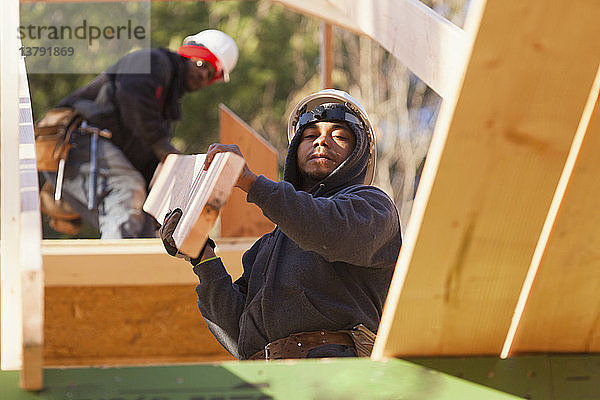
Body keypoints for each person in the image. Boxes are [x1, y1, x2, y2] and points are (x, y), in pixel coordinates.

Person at [160, 89, 402, 360]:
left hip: (336, 373)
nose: (322, 142)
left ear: (359, 153)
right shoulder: (267, 248)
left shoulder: (372, 207)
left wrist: (249, 182)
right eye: (310, 136)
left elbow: (326, 230)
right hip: (271, 376)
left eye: (340, 136)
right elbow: (240, 337)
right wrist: (201, 256)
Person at [41, 29, 239, 238]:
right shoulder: (153, 62)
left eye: (210, 75)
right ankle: (116, 269)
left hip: (92, 149)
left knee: (146, 222)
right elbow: (133, 99)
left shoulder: (166, 103)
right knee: (126, 191)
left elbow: (142, 151)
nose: (202, 75)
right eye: (202, 64)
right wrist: (166, 150)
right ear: (188, 53)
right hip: (76, 143)